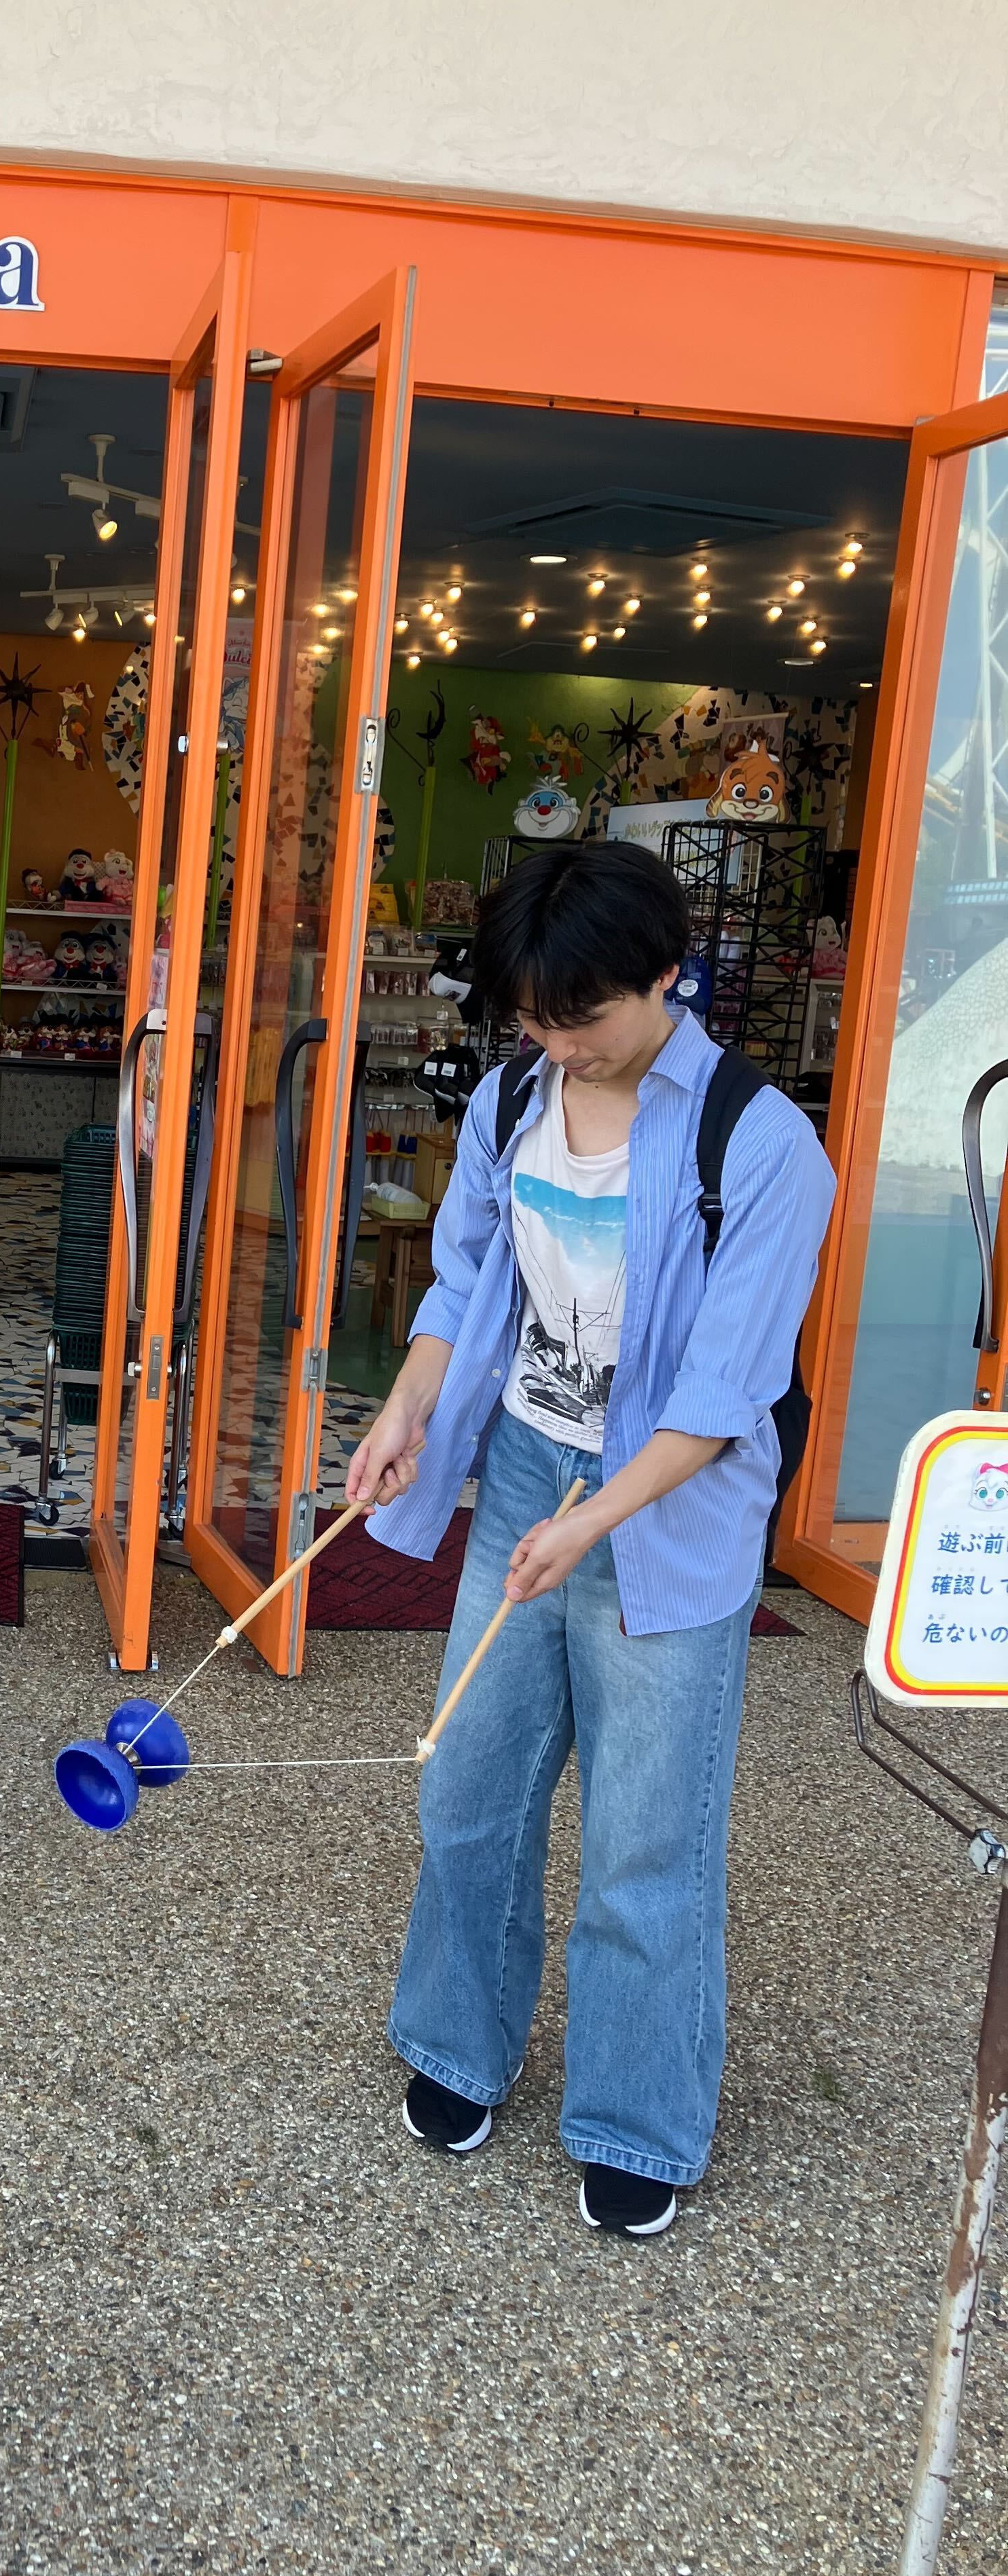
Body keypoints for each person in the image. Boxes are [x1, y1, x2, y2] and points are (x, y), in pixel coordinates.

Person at [346, 841, 835, 2240]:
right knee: (468, 1784)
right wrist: (404, 1410)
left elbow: (725, 1395)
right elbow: (461, 1288)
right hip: (525, 1468)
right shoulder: (514, 1099)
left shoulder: (760, 1143)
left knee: (646, 1836)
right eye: (534, 1019)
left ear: (668, 976)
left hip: (669, 1504)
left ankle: (636, 2117)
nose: (558, 1045)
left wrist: (598, 1523)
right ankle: (458, 2046)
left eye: (584, 1019)